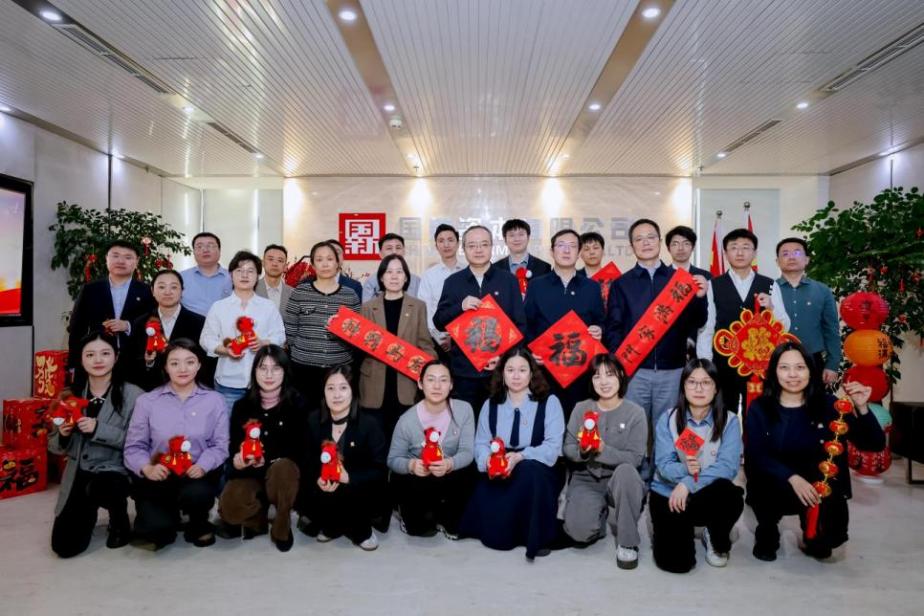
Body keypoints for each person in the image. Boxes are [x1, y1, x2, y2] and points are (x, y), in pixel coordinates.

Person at [745, 342, 884, 561]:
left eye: (800, 367)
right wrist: (792, 478)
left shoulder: (830, 406)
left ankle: (811, 525)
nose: (793, 374)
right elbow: (757, 454)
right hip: (776, 482)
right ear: (774, 372)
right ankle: (767, 529)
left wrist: (862, 407)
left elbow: (873, 444)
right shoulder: (761, 407)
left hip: (818, 487)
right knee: (762, 477)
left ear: (811, 371)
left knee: (826, 544)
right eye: (784, 367)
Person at [604, 219, 708, 478]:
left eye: (651, 237)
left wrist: (700, 298)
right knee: (632, 428)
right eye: (639, 239)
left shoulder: (679, 281)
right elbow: (614, 328)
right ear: (632, 246)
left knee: (671, 427)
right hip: (635, 371)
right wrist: (620, 365)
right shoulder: (622, 284)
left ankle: (669, 478)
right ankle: (634, 479)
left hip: (672, 369)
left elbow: (698, 322)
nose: (646, 243)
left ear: (660, 242)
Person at [460, 348, 565, 561]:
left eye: (522, 370)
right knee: (497, 539)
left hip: (538, 464)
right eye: (510, 370)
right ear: (502, 374)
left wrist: (521, 456)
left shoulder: (549, 402)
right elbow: (481, 443)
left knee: (529, 472)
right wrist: (489, 462)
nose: (516, 376)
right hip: (500, 465)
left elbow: (553, 447)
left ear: (531, 374)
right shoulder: (491, 404)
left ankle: (536, 535)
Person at [124, 339, 229, 549]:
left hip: (195, 473)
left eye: (190, 362)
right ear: (165, 367)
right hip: (160, 474)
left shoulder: (214, 400)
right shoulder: (147, 401)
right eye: (174, 363)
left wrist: (203, 466)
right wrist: (147, 468)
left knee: (197, 495)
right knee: (156, 532)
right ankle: (167, 514)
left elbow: (220, 445)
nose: (183, 369)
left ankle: (198, 520)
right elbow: (134, 447)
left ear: (199, 365)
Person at [48, 332, 144, 557]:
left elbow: (140, 443)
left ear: (116, 357)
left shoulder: (135, 395)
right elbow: (53, 445)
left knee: (107, 486)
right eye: (90, 355)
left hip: (115, 470)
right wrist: (63, 435)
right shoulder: (69, 395)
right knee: (64, 547)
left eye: (105, 353)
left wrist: (99, 429)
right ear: (81, 359)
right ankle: (87, 513)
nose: (98, 360)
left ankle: (119, 520)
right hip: (79, 471)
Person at [650, 358, 744, 573]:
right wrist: (685, 471)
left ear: (716, 387)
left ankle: (715, 535)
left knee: (730, 495)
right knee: (677, 564)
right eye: (692, 382)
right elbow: (664, 465)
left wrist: (687, 484)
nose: (699, 388)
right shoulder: (669, 418)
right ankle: (677, 531)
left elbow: (727, 467)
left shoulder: (729, 421)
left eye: (706, 382)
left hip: (703, 494)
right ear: (683, 387)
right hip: (668, 494)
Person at [219, 345, 308, 552]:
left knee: (283, 468)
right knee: (230, 509)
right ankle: (257, 518)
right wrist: (237, 460)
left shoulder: (297, 404)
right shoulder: (242, 406)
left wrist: (266, 460)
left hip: (283, 476)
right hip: (250, 474)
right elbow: (233, 448)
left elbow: (300, 451)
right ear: (254, 371)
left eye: (276, 368)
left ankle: (282, 524)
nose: (269, 375)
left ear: (285, 372)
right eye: (262, 368)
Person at [562, 354, 647, 569]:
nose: (604, 381)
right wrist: (582, 452)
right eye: (597, 376)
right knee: (579, 533)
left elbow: (635, 458)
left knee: (626, 472)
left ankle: (628, 542)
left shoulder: (636, 413)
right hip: (587, 477)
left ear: (621, 376)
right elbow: (568, 448)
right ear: (591, 381)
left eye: (609, 374)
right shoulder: (581, 408)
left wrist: (602, 450)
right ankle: (598, 517)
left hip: (620, 479)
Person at [433, 225, 527, 415]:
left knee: (497, 422)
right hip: (463, 372)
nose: (478, 250)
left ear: (492, 247)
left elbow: (520, 325)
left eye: (484, 244)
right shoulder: (453, 282)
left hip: (499, 371)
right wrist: (460, 306)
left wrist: (503, 357)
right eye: (472, 245)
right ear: (464, 249)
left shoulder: (508, 280)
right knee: (465, 421)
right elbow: (439, 322)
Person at [697, 228, 790, 415]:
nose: (740, 253)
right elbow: (707, 327)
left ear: (754, 253)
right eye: (734, 247)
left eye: (746, 247)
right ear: (725, 253)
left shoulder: (770, 284)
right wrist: (706, 363)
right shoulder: (713, 284)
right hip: (723, 362)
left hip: (759, 366)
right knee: (722, 414)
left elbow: (784, 326)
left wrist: (771, 307)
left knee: (759, 415)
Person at [300, 366, 388, 551]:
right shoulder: (314, 420)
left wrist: (349, 477)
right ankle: (332, 525)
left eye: (343, 388)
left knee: (357, 490)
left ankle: (362, 530)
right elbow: (307, 460)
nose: (337, 395)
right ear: (324, 392)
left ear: (353, 391)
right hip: (326, 489)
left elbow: (380, 469)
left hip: (359, 491)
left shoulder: (369, 424)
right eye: (330, 388)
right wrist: (318, 477)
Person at [387, 360, 476, 539]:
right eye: (430, 379)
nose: (437, 386)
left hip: (450, 475)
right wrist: (412, 465)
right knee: (419, 530)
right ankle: (406, 510)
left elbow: (467, 451)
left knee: (459, 524)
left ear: (451, 385)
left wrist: (449, 463)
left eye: (443, 380)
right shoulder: (407, 420)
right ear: (420, 384)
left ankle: (445, 513)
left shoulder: (464, 410)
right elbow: (393, 459)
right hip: (418, 479)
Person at [524, 228, 604, 418]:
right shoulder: (536, 285)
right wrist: (531, 352)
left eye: (572, 246)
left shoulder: (592, 287)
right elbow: (526, 324)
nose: (566, 250)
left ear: (579, 252)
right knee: (545, 419)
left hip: (581, 370)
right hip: (545, 370)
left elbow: (601, 320)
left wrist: (599, 330)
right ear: (552, 251)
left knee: (579, 420)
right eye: (561, 245)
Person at [359, 254, 436, 440]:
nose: (394, 276)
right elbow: (360, 346)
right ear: (381, 277)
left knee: (404, 439)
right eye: (389, 272)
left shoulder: (418, 306)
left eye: (399, 272)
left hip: (406, 383)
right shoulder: (368, 307)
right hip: (374, 383)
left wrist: (432, 369)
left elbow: (425, 343)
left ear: (406, 277)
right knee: (375, 441)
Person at [201, 251, 286, 410]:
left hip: (264, 383)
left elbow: (280, 335)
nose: (245, 275)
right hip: (228, 383)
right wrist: (225, 350)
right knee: (229, 425)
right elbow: (206, 339)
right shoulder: (219, 307)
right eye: (239, 270)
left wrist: (263, 343)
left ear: (257, 276)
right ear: (231, 275)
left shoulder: (268, 306)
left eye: (250, 271)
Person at [284, 241, 361, 402]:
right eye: (319, 259)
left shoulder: (350, 295)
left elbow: (357, 333)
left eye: (330, 259)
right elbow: (290, 329)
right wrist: (306, 351)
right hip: (304, 369)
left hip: (339, 369)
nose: (325, 264)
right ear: (313, 264)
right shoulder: (300, 292)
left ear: (338, 263)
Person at [68, 240, 155, 368]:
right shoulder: (90, 290)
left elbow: (154, 323)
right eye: (115, 256)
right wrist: (74, 365)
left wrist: (128, 326)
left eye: (128, 257)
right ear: (106, 258)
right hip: (97, 361)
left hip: (135, 361)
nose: (121, 261)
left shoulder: (148, 291)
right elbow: (77, 328)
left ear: (137, 261)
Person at [775, 237, 841, 387]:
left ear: (806, 260)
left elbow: (831, 329)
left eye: (797, 253)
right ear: (777, 261)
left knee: (814, 401)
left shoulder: (822, 290)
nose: (791, 257)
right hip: (776, 360)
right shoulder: (768, 290)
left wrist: (832, 364)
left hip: (813, 361)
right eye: (785, 254)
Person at [127, 269, 207, 391]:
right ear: (152, 291)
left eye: (173, 287)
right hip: (151, 388)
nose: (167, 292)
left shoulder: (199, 322)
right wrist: (148, 362)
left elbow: (204, 360)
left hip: (189, 389)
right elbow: (132, 360)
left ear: (182, 291)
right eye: (161, 287)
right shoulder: (140, 322)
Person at [417, 223, 466, 356]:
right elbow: (425, 309)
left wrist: (457, 338)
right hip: (437, 342)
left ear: (458, 244)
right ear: (436, 246)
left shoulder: (468, 271)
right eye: (441, 241)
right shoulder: (429, 275)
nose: (446, 244)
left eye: (450, 240)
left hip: (466, 339)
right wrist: (440, 338)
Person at [180, 232, 232, 317]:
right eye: (199, 247)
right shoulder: (181, 277)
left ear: (219, 251)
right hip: (190, 324)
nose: (205, 250)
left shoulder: (233, 277)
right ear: (194, 252)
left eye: (210, 246)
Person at [361, 233, 421, 301]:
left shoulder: (417, 281)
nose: (394, 252)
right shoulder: (371, 282)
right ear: (380, 254)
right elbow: (367, 307)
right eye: (389, 248)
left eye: (398, 248)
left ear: (404, 252)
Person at [255, 244, 294, 316]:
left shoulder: (293, 294)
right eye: (270, 259)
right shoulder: (251, 290)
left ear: (285, 266)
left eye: (280, 260)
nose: (275, 264)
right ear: (263, 263)